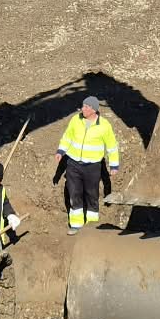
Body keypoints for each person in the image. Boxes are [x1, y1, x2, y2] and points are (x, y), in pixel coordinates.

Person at [53, 95, 120, 234]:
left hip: (93, 167)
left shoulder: (104, 125)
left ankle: (92, 228)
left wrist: (114, 166)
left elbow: (112, 147)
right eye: (83, 106)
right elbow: (67, 137)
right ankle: (75, 225)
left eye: (86, 107)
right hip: (73, 165)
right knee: (74, 194)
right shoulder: (75, 120)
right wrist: (60, 151)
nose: (82, 109)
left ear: (94, 110)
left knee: (92, 196)